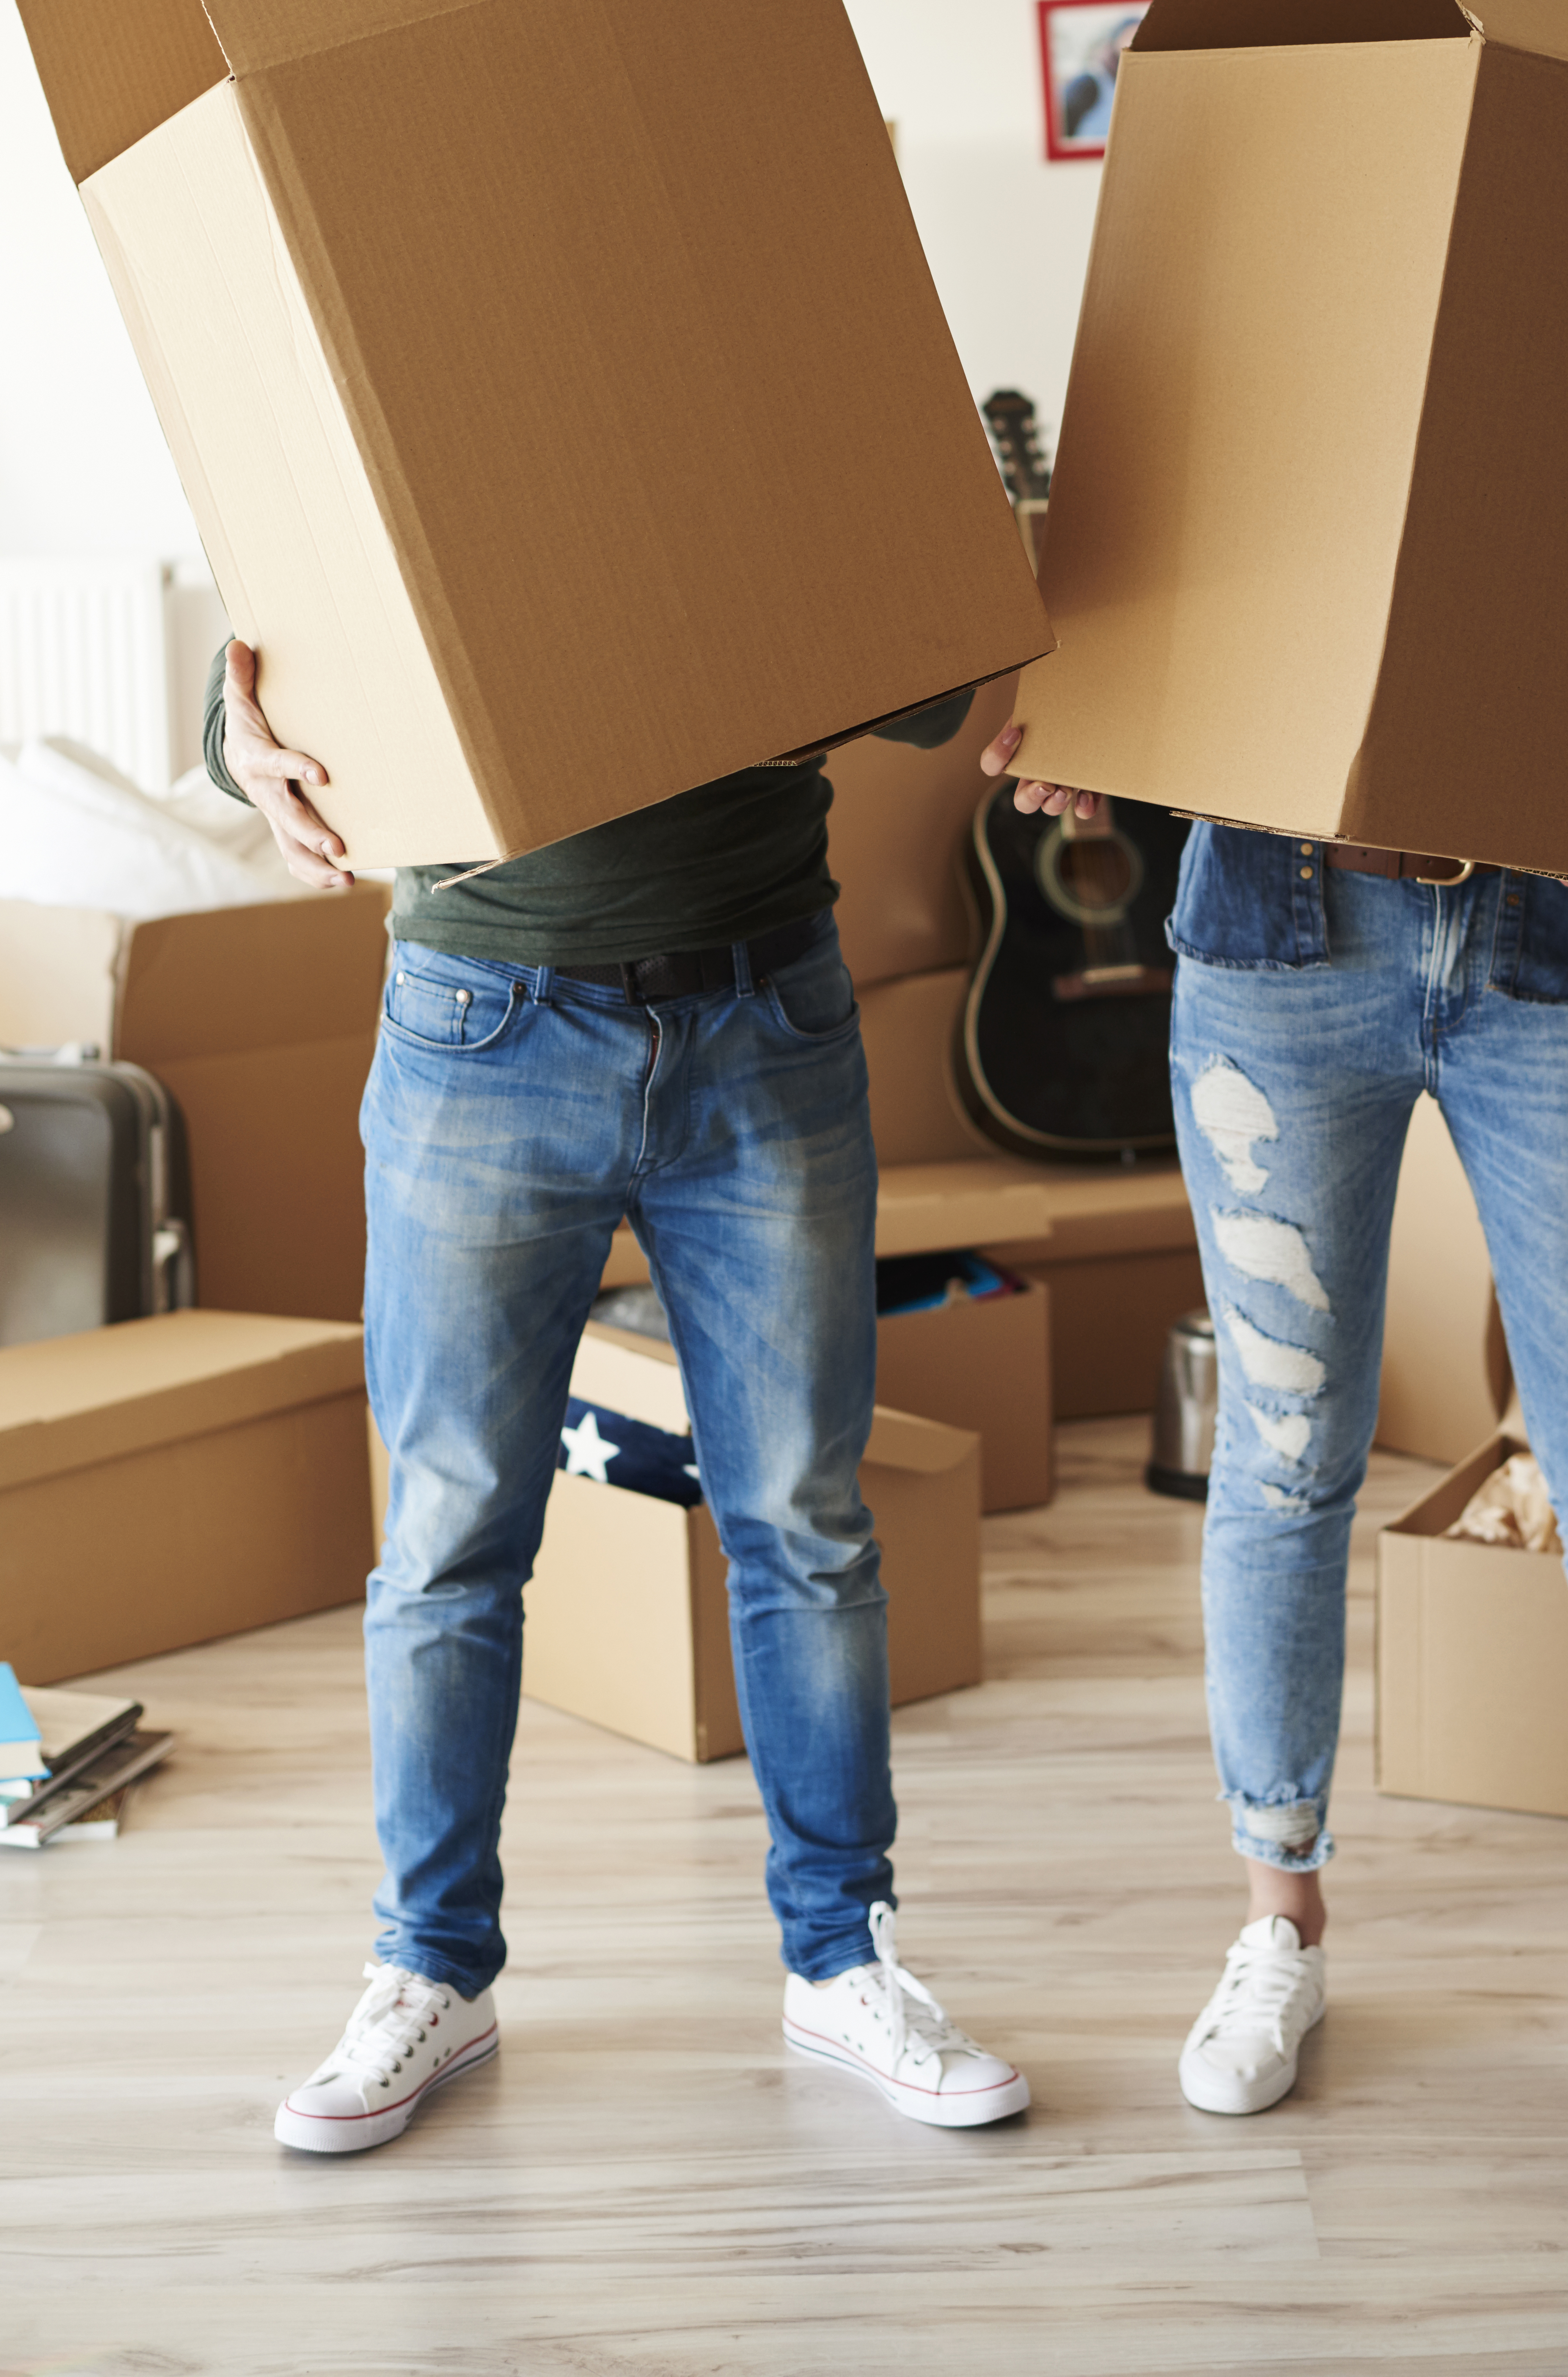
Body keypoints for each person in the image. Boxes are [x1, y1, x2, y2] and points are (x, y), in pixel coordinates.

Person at [977, 0, 1568, 2126]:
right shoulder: (1234, 259)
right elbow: (1147, 558)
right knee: (1289, 1456)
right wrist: (1090, 724)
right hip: (1279, 947)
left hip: (1561, 946)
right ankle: (1277, 1922)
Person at [208, 639, 1029, 2151]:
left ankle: (843, 1956)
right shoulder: (420, 398)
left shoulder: (803, 399)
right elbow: (286, 609)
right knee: (451, 1536)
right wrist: (233, 733)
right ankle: (431, 1971)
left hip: (761, 1019)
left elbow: (928, 674)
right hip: (484, 1022)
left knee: (803, 1519)